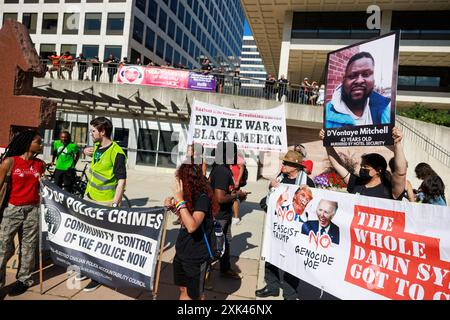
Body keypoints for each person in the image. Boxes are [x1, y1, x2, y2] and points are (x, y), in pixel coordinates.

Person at [256, 150, 314, 300]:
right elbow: (273, 198)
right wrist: (271, 186)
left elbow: (311, 208)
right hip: (277, 226)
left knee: (292, 262)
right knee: (271, 256)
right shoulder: (281, 177)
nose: (283, 165)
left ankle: (289, 293)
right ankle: (272, 286)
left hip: (294, 230)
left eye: (286, 163)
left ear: (295, 166)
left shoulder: (307, 182)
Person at [81, 117, 127, 292]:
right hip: (90, 198)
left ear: (103, 132)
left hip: (106, 202)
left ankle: (98, 275)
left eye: (93, 131)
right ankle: (88, 267)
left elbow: (121, 180)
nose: (91, 133)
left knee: (101, 241)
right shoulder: (98, 147)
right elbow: (96, 158)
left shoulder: (117, 153)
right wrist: (87, 151)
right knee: (88, 236)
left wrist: (115, 203)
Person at [0, 130, 46, 296]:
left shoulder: (41, 165)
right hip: (11, 210)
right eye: (38, 142)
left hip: (33, 210)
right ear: (28, 144)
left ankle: (24, 280)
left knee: (28, 247)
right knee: (3, 248)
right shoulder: (9, 162)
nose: (41, 145)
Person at [164, 163, 219, 300]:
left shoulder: (202, 199)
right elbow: (185, 219)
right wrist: (173, 207)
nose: (177, 183)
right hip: (182, 251)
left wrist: (180, 200)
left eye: (179, 180)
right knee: (183, 289)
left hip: (196, 256)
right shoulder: (190, 197)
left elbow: (192, 226)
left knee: (196, 295)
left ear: (187, 182)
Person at [320, 127, 407, 200]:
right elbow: (337, 165)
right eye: (361, 166)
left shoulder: (389, 190)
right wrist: (327, 143)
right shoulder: (356, 182)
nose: (362, 169)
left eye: (365, 166)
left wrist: (397, 144)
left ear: (379, 170)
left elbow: (400, 173)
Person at [208, 141, 247, 283]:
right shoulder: (222, 172)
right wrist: (237, 196)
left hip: (224, 215)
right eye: (233, 153)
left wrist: (235, 194)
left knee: (226, 243)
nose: (236, 156)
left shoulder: (221, 169)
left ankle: (225, 269)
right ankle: (204, 276)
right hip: (219, 217)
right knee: (215, 246)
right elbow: (220, 198)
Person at [325, 52, 391, 128]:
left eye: (366, 74)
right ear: (343, 80)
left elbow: (388, 138)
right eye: (352, 76)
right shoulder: (328, 112)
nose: (359, 81)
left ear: (373, 79)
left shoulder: (384, 110)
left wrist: (394, 138)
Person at [230, 151, 246, 225]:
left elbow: (241, 169)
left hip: (235, 181)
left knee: (234, 198)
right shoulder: (228, 157)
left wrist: (238, 181)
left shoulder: (238, 159)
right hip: (229, 180)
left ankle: (236, 218)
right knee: (230, 197)